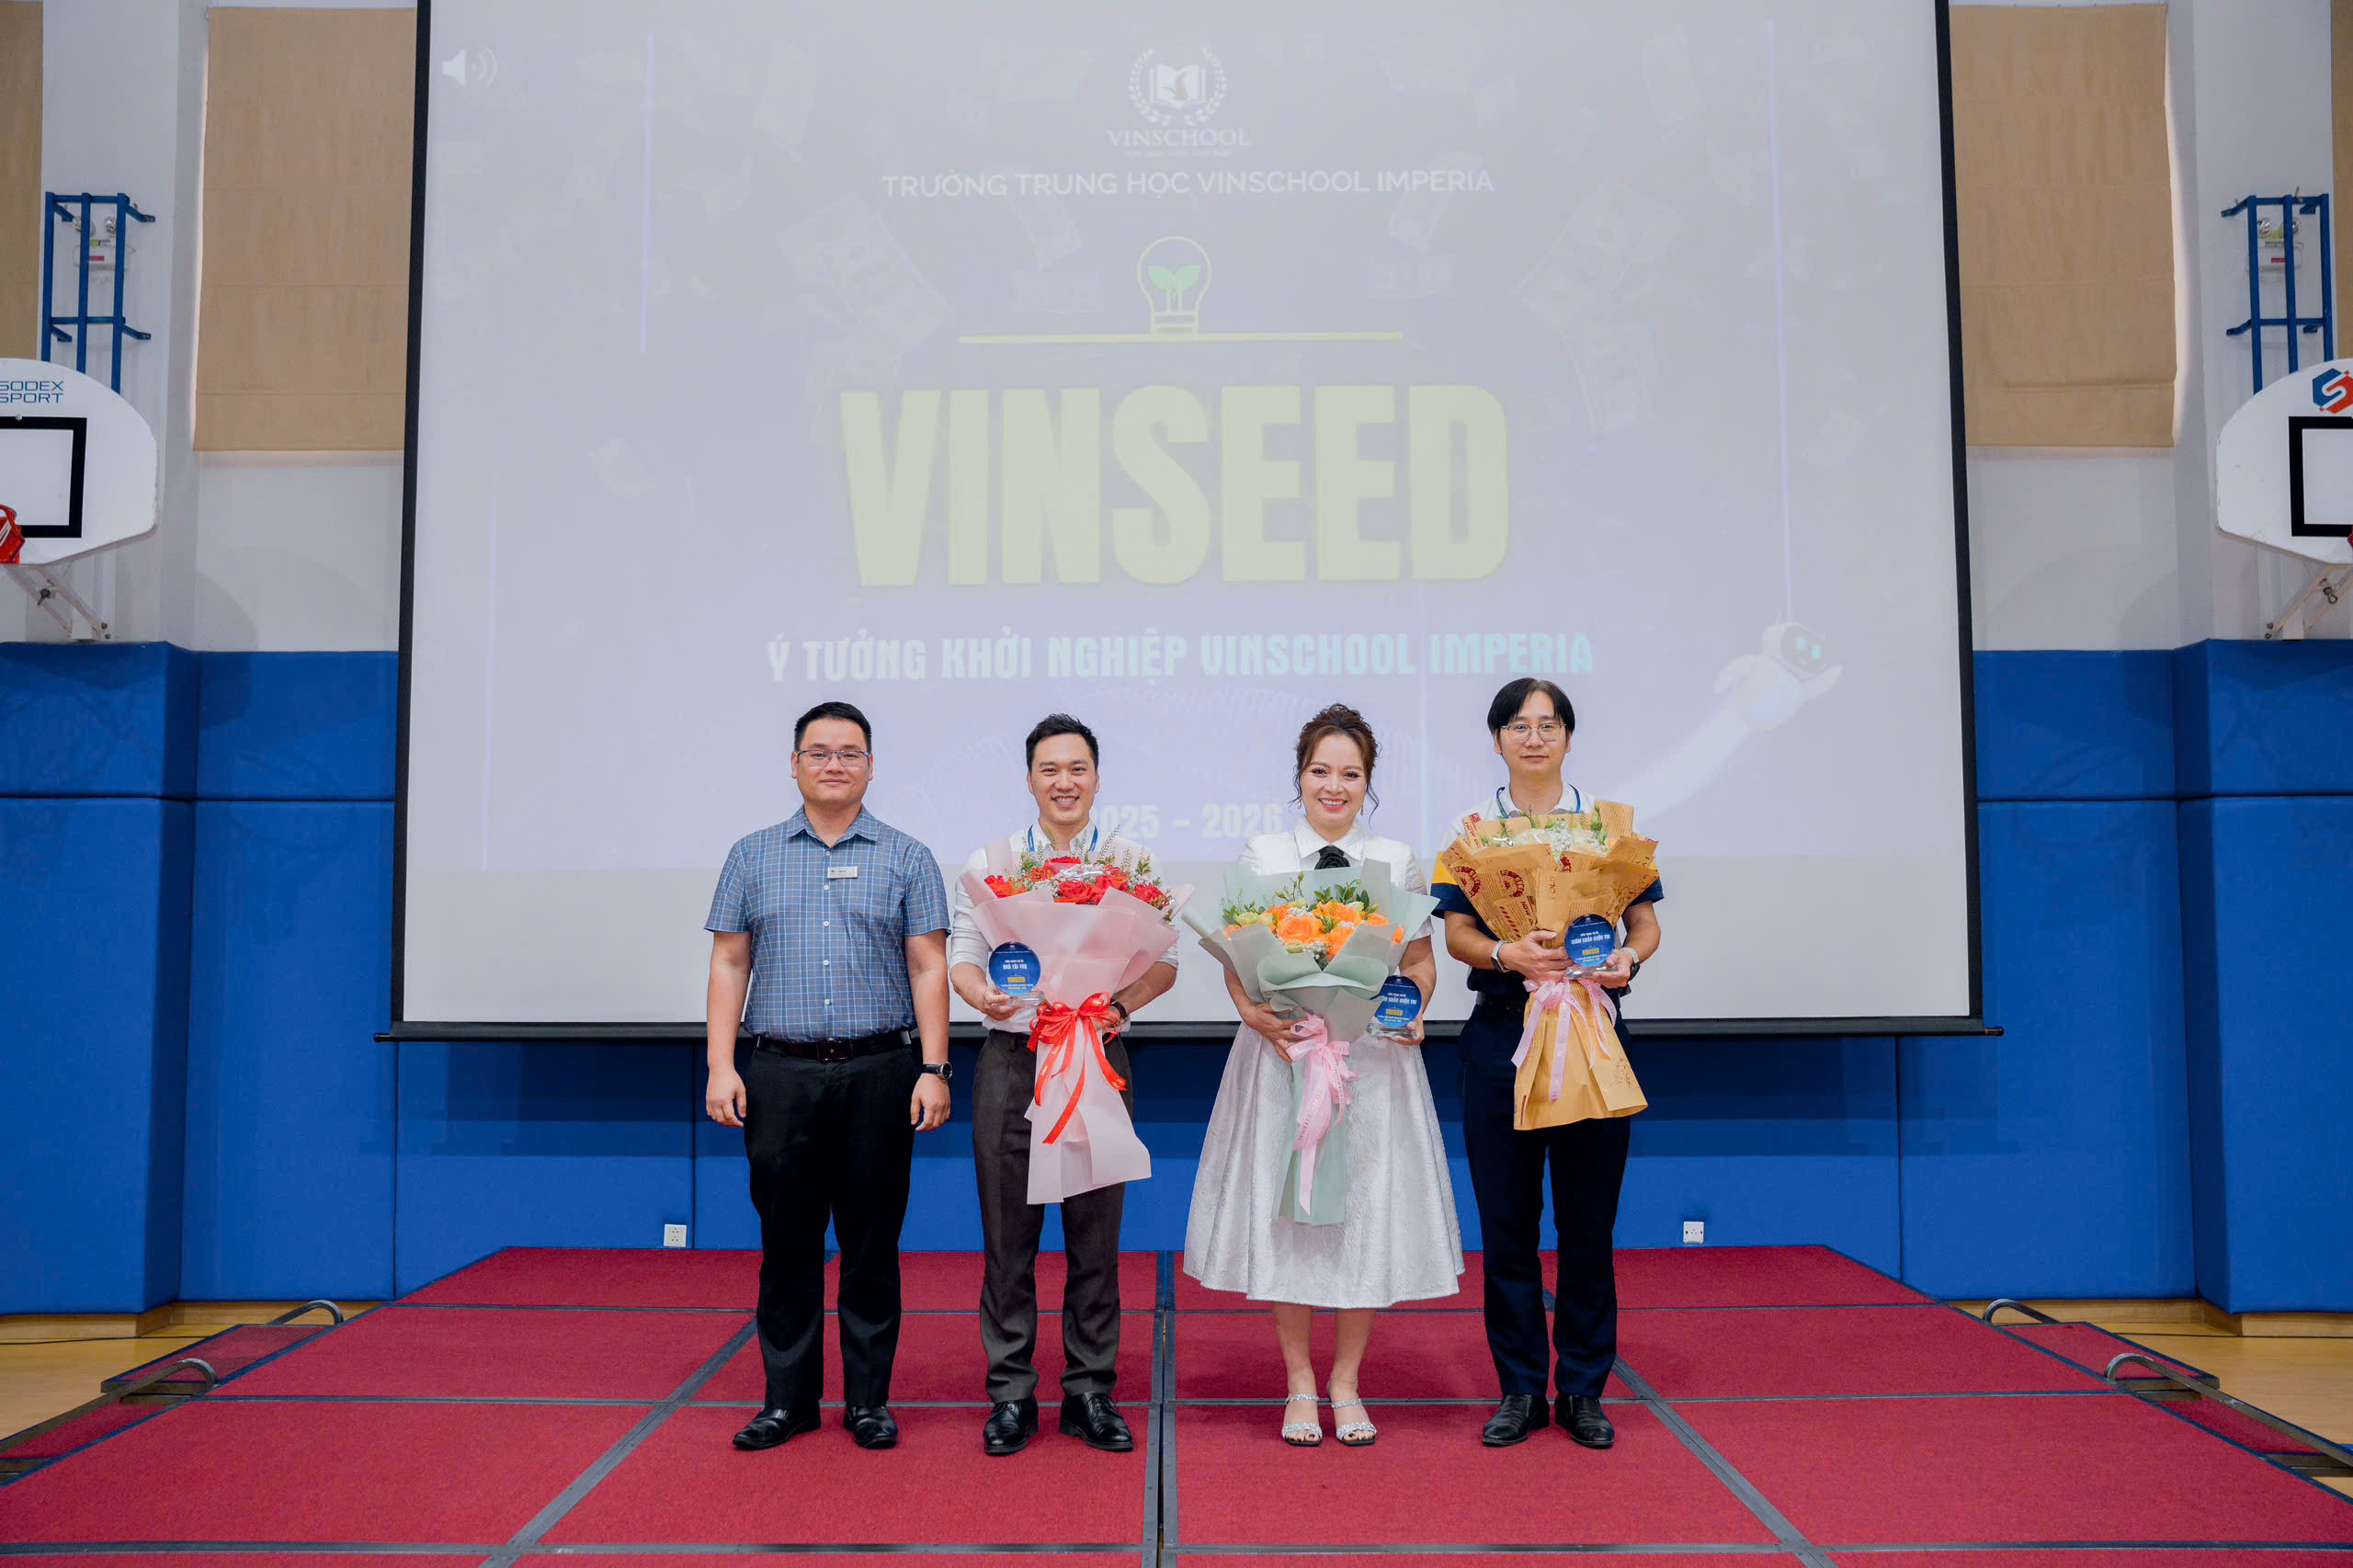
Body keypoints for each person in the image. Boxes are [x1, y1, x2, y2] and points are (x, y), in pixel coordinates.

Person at [1184, 703, 1463, 1448]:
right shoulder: (1265, 853)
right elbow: (1237, 956)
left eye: (1350, 774)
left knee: (1363, 1216)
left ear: (1368, 783)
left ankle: (1347, 1382)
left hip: (1370, 1063)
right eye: (1320, 771)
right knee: (1291, 1220)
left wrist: (1412, 1006)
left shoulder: (1396, 859)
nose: (1333, 787)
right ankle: (1300, 1383)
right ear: (1299, 777)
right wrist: (1250, 1011)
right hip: (1284, 1060)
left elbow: (1418, 961)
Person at [703, 699, 952, 1453]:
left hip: (881, 1070)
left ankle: (868, 1402)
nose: (834, 764)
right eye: (819, 752)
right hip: (780, 1073)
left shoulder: (908, 856)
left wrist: (934, 1067)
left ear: (871, 767)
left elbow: (929, 966)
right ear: (794, 764)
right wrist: (721, 1065)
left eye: (849, 753)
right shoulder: (751, 855)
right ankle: (788, 1402)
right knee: (787, 1246)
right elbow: (729, 962)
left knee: (872, 1246)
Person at [1431, 677, 1663, 1451]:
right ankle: (1521, 1389)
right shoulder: (1472, 832)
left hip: (1592, 1032)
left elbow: (1644, 921)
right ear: (1497, 738)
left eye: (1548, 724)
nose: (1534, 738)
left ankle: (1584, 1391)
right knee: (1507, 1228)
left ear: (1567, 735)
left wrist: (1628, 957)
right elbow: (1456, 933)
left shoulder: (1608, 828)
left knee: (1589, 1227)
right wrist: (1507, 952)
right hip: (1503, 1036)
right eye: (1519, 726)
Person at [947, 713, 1177, 1457]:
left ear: (1097, 778)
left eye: (1077, 768)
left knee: (1095, 1239)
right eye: (1050, 769)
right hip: (1014, 1063)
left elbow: (1165, 964)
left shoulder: (1131, 863)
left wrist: (1121, 1004)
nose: (1064, 782)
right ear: (1029, 779)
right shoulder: (993, 862)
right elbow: (963, 955)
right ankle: (1011, 1394)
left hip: (1096, 1059)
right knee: (1007, 1242)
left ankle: (1089, 1391)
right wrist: (981, 995)